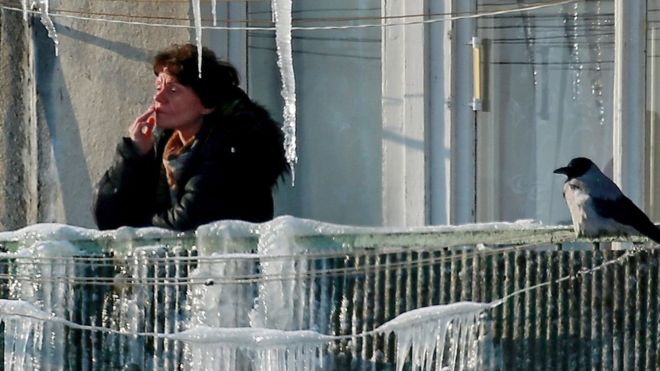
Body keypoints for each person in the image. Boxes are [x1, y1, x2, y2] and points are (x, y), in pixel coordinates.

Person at [93, 43, 289, 231]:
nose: (158, 98)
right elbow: (108, 218)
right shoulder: (164, 147)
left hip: (227, 263)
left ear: (206, 103)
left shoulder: (235, 147)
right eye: (158, 88)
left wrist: (135, 222)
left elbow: (188, 220)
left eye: (173, 90)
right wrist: (134, 154)